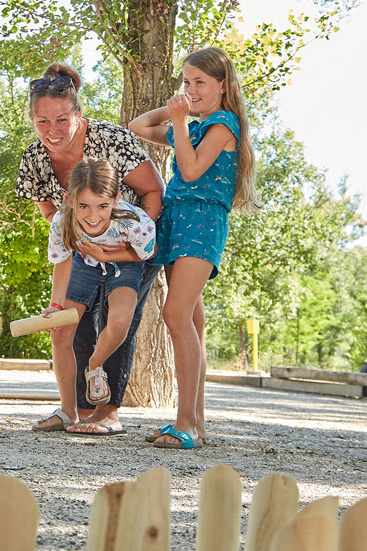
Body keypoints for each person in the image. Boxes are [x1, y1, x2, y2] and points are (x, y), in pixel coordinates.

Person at [15, 63, 164, 435]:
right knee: (68, 325)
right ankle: (72, 410)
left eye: (62, 119)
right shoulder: (34, 158)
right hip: (78, 250)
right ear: (33, 121)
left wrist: (120, 245)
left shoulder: (110, 139)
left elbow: (153, 191)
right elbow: (50, 212)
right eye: (42, 122)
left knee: (117, 322)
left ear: (78, 113)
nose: (52, 130)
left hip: (132, 243)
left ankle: (108, 412)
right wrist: (75, 239)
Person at [129, 47, 259, 449]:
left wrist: (183, 119)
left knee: (176, 313)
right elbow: (138, 125)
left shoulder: (224, 123)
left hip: (202, 221)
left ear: (223, 85)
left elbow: (189, 169)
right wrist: (177, 110)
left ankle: (184, 422)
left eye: (200, 82)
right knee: (192, 321)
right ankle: (197, 423)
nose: (191, 88)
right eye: (185, 82)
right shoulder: (193, 125)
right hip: (176, 220)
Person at [43, 158, 156, 411]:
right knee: (61, 334)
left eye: (102, 206)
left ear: (116, 200)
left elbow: (147, 253)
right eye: (84, 206)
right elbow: (62, 262)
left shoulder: (134, 221)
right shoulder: (63, 222)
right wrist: (56, 305)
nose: (93, 216)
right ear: (70, 200)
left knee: (119, 324)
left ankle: (95, 365)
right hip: (83, 262)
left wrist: (107, 255)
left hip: (125, 262)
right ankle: (68, 412)